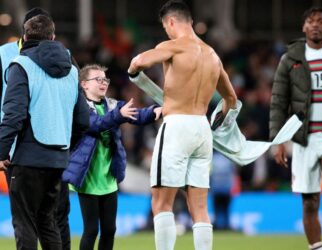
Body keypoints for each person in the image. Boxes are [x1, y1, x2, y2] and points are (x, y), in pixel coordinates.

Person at [128, 1, 237, 249]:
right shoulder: (213, 55)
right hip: (202, 128)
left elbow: (138, 63)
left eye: (166, 27)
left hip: (177, 124)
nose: (166, 32)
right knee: (199, 208)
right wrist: (220, 121)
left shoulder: (172, 47)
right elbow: (231, 99)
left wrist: (136, 70)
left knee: (161, 204)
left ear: (172, 22)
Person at [0, 14, 89, 250]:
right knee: (47, 223)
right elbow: (83, 120)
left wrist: (1, 151)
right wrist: (67, 145)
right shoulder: (71, 70)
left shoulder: (21, 65)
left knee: (25, 223)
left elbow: (14, 115)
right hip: (58, 159)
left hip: (28, 158)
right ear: (52, 37)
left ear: (25, 37)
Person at [270, 7, 322, 250]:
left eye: (321, 21)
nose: (316, 25)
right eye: (311, 21)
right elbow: (278, 102)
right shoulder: (290, 59)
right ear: (304, 28)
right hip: (303, 139)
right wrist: (277, 141)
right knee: (309, 202)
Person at [62, 64, 162, 250]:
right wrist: (118, 115)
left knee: (109, 230)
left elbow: (137, 115)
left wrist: (155, 112)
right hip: (88, 178)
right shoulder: (79, 107)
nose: (103, 83)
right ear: (84, 84)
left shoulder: (113, 105)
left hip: (109, 178)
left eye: (105, 79)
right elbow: (95, 124)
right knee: (91, 230)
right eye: (98, 79)